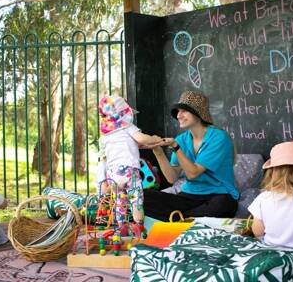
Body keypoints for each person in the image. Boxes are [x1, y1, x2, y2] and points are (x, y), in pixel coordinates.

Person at [143, 91, 240, 221]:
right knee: (142, 197)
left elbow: (193, 173)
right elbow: (172, 178)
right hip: (189, 196)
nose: (178, 116)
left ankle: (180, 219)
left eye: (184, 111)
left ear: (198, 112)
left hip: (218, 195)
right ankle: (187, 218)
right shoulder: (182, 139)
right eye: (177, 112)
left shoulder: (218, 137)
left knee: (223, 205)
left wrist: (176, 147)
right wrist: (157, 151)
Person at [98, 95, 163, 228]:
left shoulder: (106, 135)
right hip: (129, 171)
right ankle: (139, 226)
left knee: (119, 201)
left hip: (113, 174)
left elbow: (133, 145)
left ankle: (121, 227)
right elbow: (142, 139)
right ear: (124, 113)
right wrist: (154, 138)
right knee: (136, 200)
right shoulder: (127, 127)